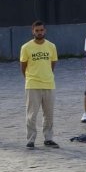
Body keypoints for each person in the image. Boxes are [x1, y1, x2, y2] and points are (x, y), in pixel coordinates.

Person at [20, 21, 58, 149]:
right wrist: (30, 79)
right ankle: (30, 139)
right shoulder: (26, 47)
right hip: (32, 85)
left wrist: (47, 75)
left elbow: (52, 63)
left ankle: (48, 138)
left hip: (49, 84)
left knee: (49, 114)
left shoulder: (51, 46)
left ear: (45, 31)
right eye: (37, 30)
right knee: (31, 114)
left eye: (41, 30)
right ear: (33, 31)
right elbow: (23, 66)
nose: (39, 32)